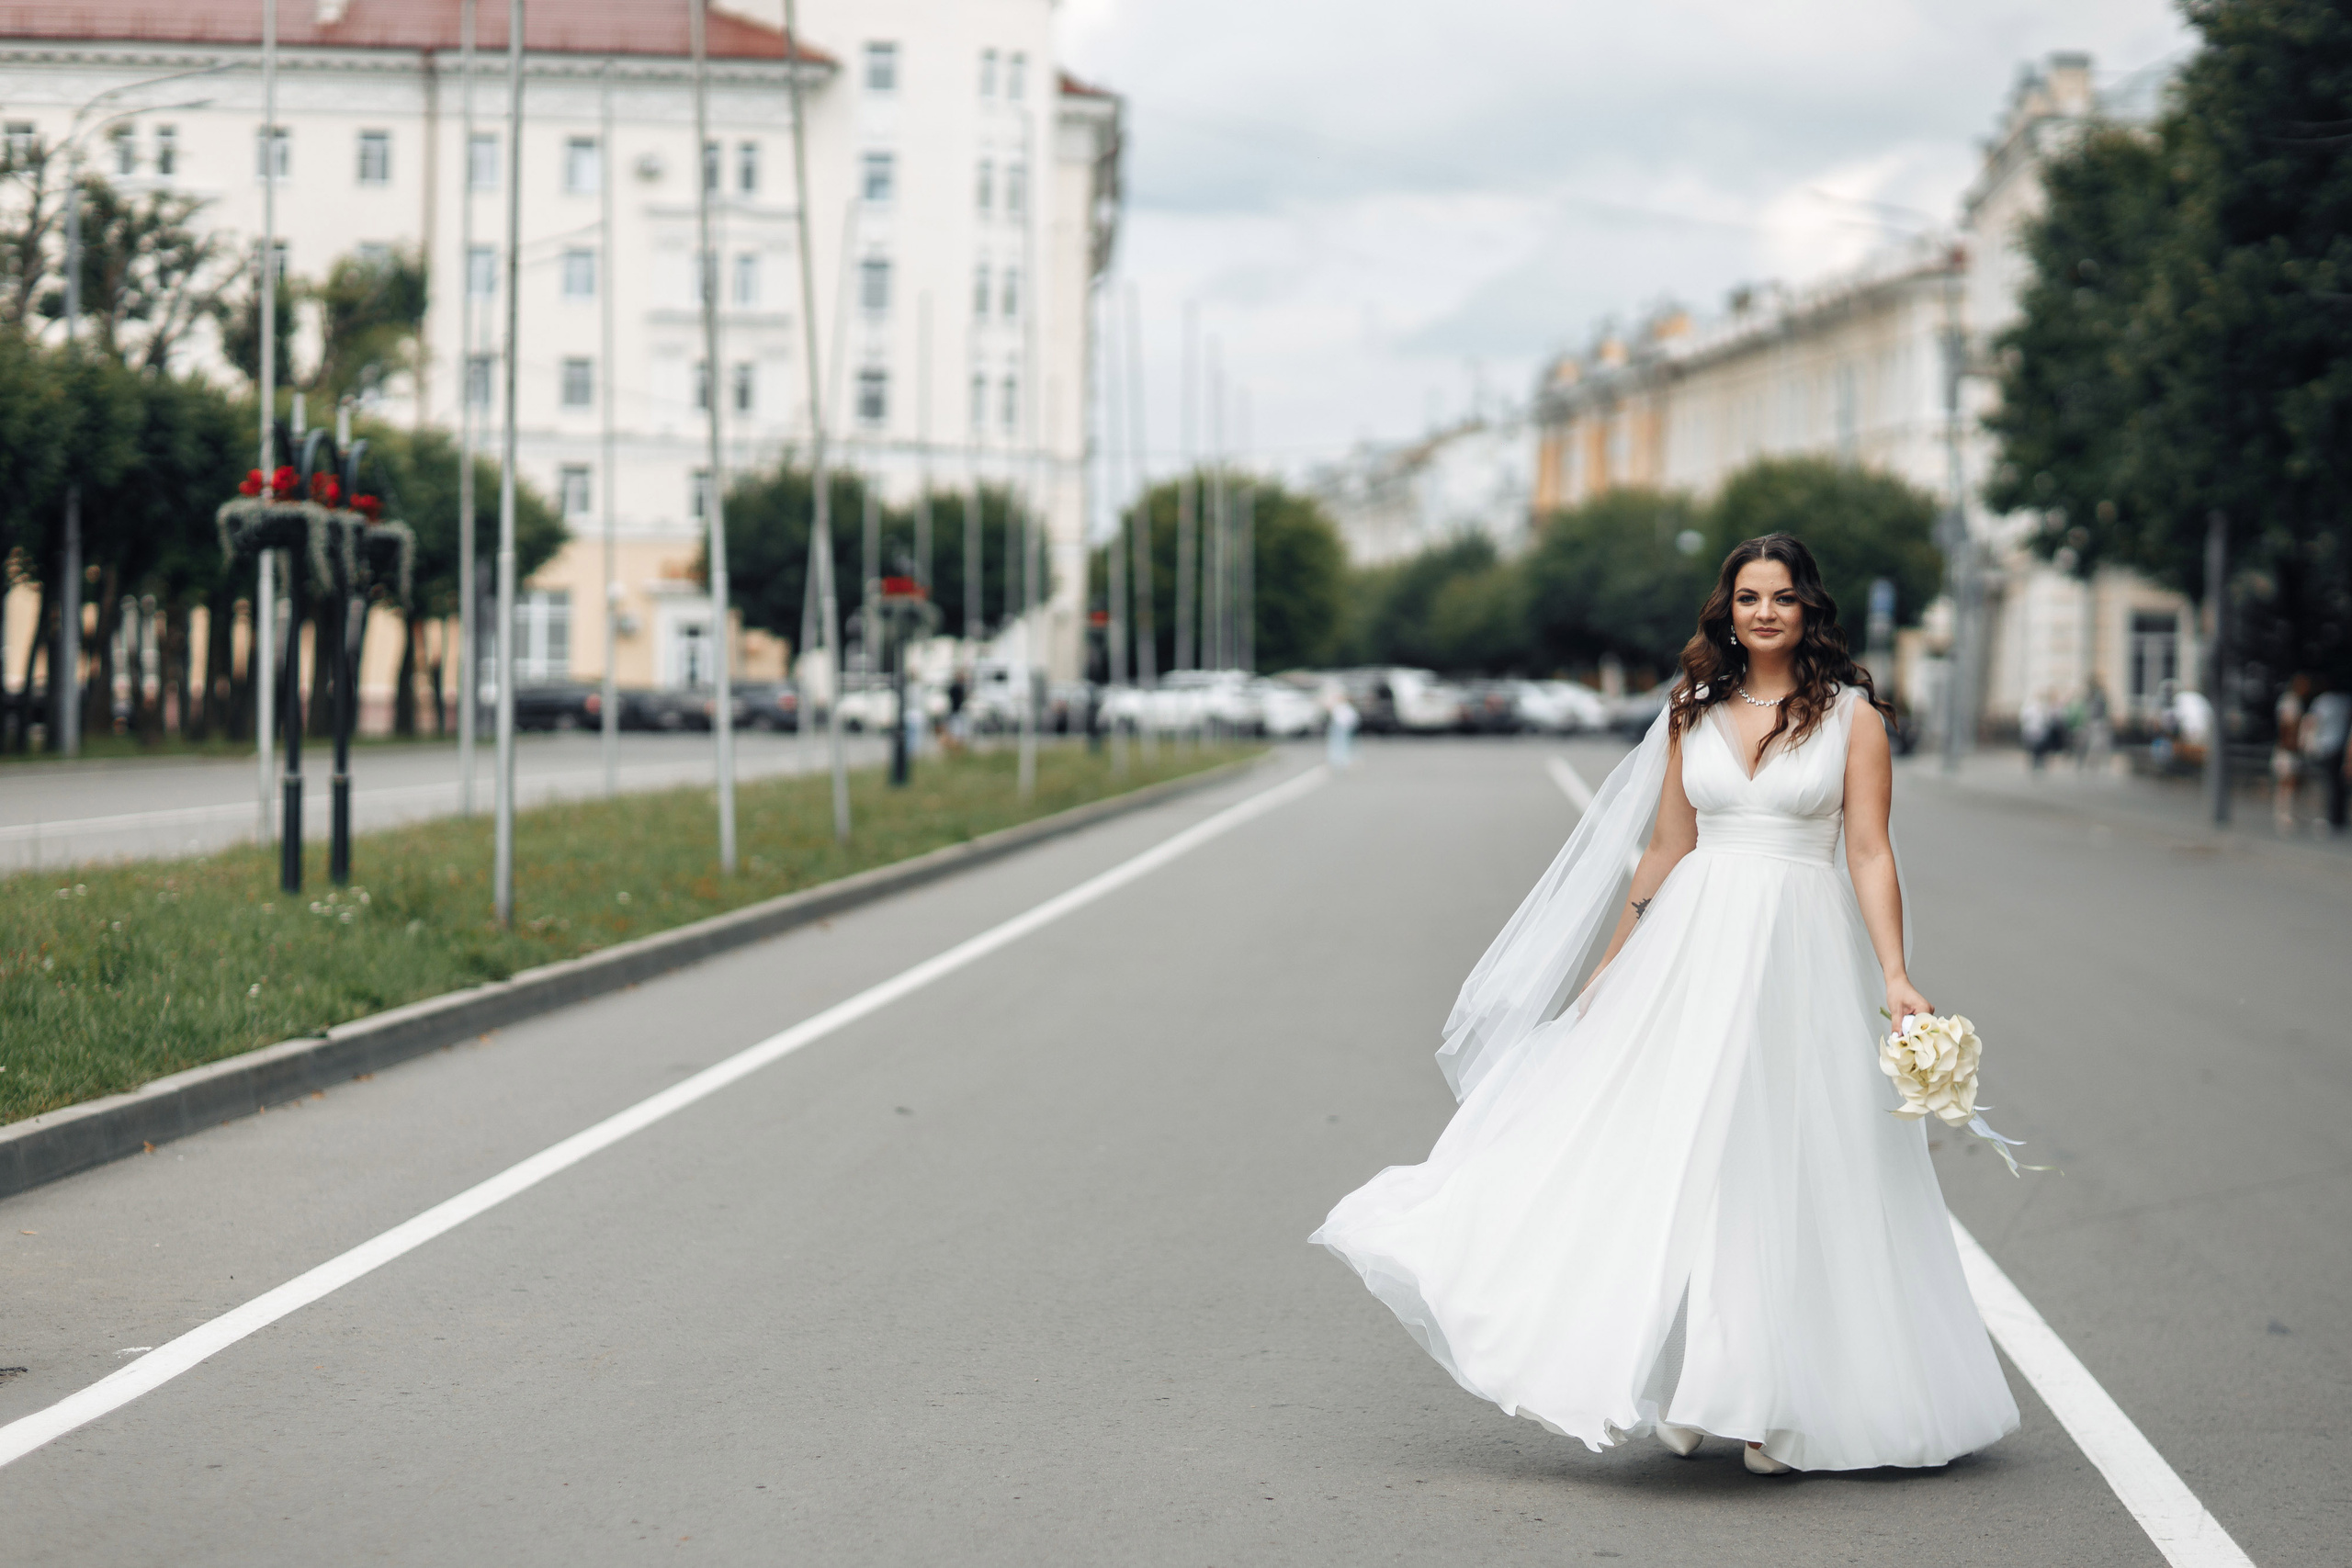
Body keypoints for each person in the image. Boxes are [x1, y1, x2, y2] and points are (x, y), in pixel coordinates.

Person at [1312, 533, 2018, 1475]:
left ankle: (1769, 1404)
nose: (1763, 612)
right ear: (1725, 611)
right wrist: (1614, 964)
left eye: (1780, 597)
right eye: (1746, 597)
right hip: (1695, 942)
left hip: (1802, 950)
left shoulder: (1854, 719)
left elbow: (1868, 852)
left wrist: (1894, 972)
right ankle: (1702, 1385)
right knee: (1689, 1150)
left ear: (1808, 609)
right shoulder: (1691, 709)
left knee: (1790, 1160)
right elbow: (1662, 849)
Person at [2274, 675, 2311, 834]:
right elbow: (2286, 726)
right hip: (2287, 749)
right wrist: (2290, 745)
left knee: (2292, 781)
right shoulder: (2290, 702)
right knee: (2287, 781)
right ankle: (2283, 813)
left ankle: (2288, 812)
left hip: (2291, 749)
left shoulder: (2294, 701)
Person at [1326, 687, 1359, 771]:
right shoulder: (1340, 707)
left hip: (1344, 728)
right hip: (1340, 728)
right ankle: (1337, 761)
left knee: (1344, 745)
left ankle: (1344, 761)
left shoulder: (1345, 707)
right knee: (1339, 745)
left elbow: (1352, 719)